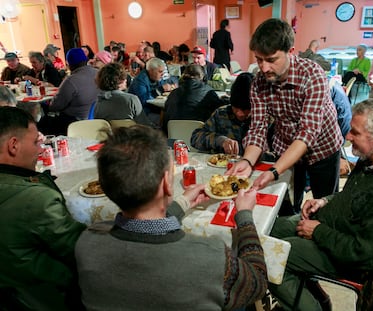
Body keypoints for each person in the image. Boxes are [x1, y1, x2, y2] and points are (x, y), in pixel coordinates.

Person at [75, 124, 267, 311]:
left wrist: (182, 203)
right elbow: (257, 282)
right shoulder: (211, 257)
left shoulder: (86, 243)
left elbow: (144, 226)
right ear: (167, 183)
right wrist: (244, 216)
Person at [267, 98, 373, 311]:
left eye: (355, 132)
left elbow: (366, 256)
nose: (347, 136)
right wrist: (324, 201)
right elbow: (353, 195)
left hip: (349, 256)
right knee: (268, 228)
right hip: (331, 229)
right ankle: (317, 299)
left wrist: (318, 232)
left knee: (270, 255)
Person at [227, 18, 343, 213]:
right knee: (288, 202)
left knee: (324, 205)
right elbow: (258, 129)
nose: (263, 68)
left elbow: (307, 132)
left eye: (271, 60)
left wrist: (273, 171)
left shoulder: (312, 75)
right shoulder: (258, 83)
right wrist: (247, 162)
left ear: (290, 52)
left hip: (323, 148)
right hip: (286, 146)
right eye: (259, 59)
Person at [0, 107, 86, 310]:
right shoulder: (37, 199)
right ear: (13, 145)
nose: (40, 150)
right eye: (35, 143)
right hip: (46, 296)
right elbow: (81, 250)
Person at [191, 72, 254, 155]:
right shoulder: (221, 114)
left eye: (245, 110)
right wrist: (220, 141)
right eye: (235, 107)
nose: (239, 114)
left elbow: (274, 155)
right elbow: (195, 138)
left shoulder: (265, 119)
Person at [44, 48, 98, 135]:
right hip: (97, 118)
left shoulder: (71, 80)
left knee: (44, 123)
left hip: (75, 121)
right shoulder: (99, 73)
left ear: (69, 64)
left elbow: (55, 106)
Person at [162, 64, 224, 133]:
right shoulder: (209, 92)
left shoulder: (173, 93)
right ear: (203, 78)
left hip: (173, 139)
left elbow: (165, 116)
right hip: (199, 139)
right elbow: (219, 113)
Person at [128, 57, 174, 124]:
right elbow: (144, 100)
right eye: (160, 71)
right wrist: (160, 90)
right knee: (167, 120)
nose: (162, 74)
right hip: (143, 114)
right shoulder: (140, 80)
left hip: (154, 109)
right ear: (151, 70)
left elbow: (162, 90)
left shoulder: (156, 77)